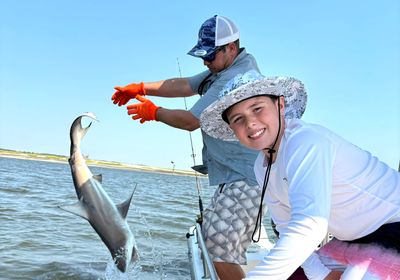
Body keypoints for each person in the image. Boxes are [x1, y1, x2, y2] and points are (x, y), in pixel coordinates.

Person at [200, 70, 400, 279]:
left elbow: (310, 226)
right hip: (352, 240)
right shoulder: (261, 166)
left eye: (257, 108)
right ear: (233, 130)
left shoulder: (306, 140)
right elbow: (286, 226)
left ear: (280, 105)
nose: (250, 123)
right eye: (238, 119)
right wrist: (321, 275)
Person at [111, 15, 266, 280]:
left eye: (210, 55)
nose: (205, 62)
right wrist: (141, 87)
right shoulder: (223, 69)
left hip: (248, 178)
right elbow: (183, 85)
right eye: (202, 56)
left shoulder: (236, 79)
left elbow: (191, 121)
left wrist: (154, 113)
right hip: (233, 177)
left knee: (218, 251)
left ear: (231, 47)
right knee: (211, 242)